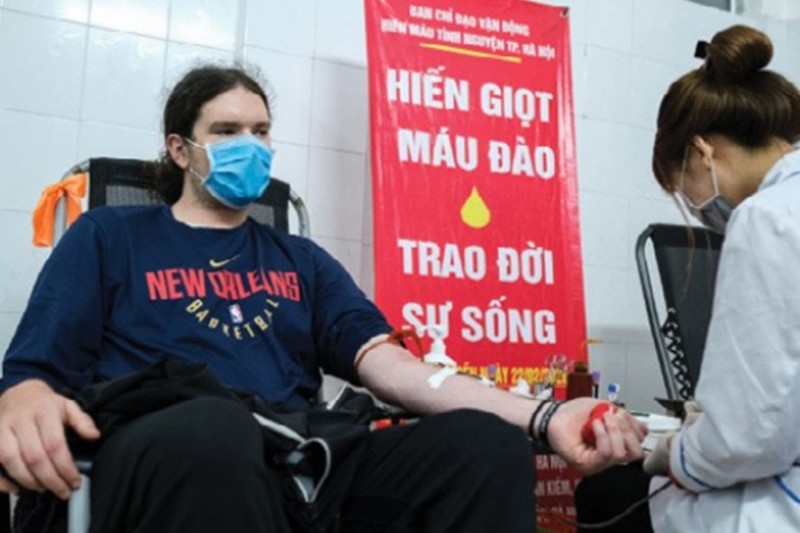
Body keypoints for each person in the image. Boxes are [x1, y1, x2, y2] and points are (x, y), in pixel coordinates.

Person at [0, 63, 645, 533]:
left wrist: (541, 417)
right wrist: (21, 399)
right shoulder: (110, 235)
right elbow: (33, 374)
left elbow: (391, 367)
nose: (250, 145)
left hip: (293, 459)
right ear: (180, 149)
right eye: (226, 130)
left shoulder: (300, 260)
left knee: (482, 447)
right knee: (215, 429)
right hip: (169, 451)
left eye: (260, 130)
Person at [575, 24, 800, 533]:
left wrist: (676, 453)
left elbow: (745, 441)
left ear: (702, 152)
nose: (698, 209)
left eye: (684, 189)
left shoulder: (766, 217)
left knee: (605, 495)